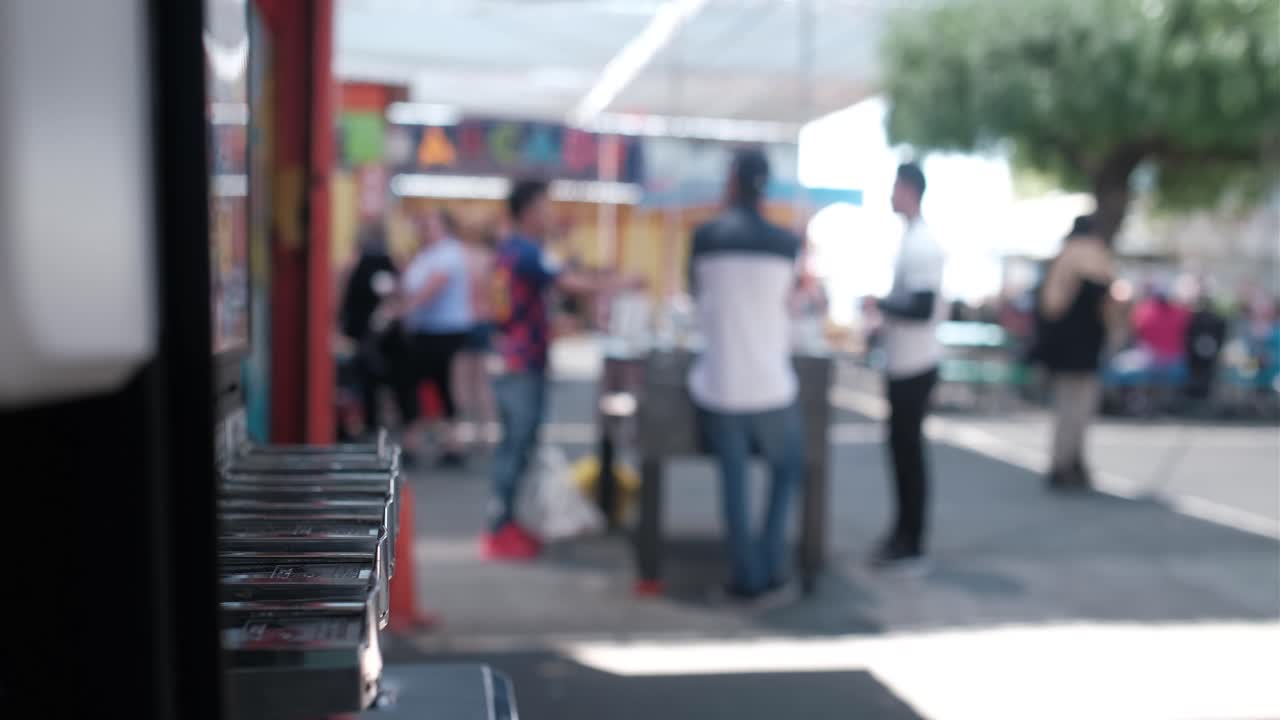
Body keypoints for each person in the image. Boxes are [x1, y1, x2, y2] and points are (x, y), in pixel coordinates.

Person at [483, 180, 629, 560]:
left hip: (515, 358)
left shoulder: (510, 250)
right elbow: (567, 281)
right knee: (516, 446)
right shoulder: (527, 252)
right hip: (522, 363)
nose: (550, 214)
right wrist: (613, 284)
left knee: (518, 445)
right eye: (546, 206)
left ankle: (508, 525)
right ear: (529, 210)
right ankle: (499, 530)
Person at [686, 148, 804, 600]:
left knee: (732, 486)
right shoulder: (786, 243)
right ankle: (772, 560)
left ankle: (746, 576)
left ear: (731, 180)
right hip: (772, 385)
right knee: (788, 468)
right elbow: (791, 305)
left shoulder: (705, 237)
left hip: (719, 385)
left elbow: (696, 298)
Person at [870, 161, 945, 571]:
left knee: (908, 453)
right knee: (902, 452)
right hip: (905, 362)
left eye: (894, 186)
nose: (890, 194)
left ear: (909, 189)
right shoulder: (912, 240)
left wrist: (878, 304)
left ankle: (911, 539)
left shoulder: (922, 244)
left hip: (915, 365)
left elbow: (921, 307)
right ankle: (904, 534)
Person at [1035, 215, 1114, 490]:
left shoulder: (1061, 258)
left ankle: (1063, 461)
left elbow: (1047, 306)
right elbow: (1107, 299)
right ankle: (1070, 463)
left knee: (1065, 407)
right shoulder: (1094, 257)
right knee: (1080, 408)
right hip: (1085, 349)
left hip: (1062, 349)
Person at [398, 208, 471, 467]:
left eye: (430, 224)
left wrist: (406, 308)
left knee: (432, 384)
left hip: (443, 330)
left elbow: (433, 286)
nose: (424, 230)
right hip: (426, 329)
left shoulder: (449, 254)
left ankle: (441, 440)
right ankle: (437, 439)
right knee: (426, 384)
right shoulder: (426, 254)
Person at [338, 220, 409, 435]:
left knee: (371, 381)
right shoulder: (384, 262)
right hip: (382, 336)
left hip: (373, 336)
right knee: (387, 381)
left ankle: (373, 422)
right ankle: (384, 422)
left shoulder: (365, 263)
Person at [453, 221, 500, 448]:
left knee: (462, 378)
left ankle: (465, 426)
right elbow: (496, 291)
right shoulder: (488, 258)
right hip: (483, 319)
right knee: (482, 378)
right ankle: (486, 427)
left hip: (463, 320)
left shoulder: (459, 257)